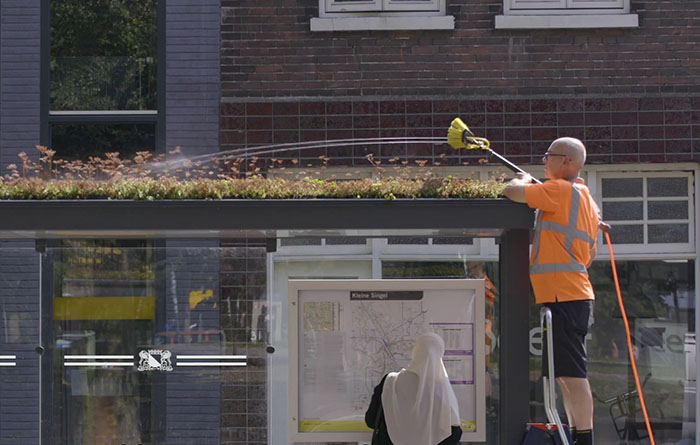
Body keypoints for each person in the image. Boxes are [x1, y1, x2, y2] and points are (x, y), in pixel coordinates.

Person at [502, 137, 600, 445]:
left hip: (566, 296)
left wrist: (521, 180)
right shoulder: (586, 200)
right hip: (570, 295)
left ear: (567, 162)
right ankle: (576, 433)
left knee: (572, 375)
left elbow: (511, 192)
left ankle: (584, 438)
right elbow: (591, 254)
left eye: (549, 156)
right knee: (565, 376)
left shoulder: (559, 190)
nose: (544, 162)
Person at [365, 332, 462, 445]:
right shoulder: (442, 390)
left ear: (415, 352)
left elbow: (371, 421)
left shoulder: (390, 382)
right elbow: (454, 434)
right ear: (440, 354)